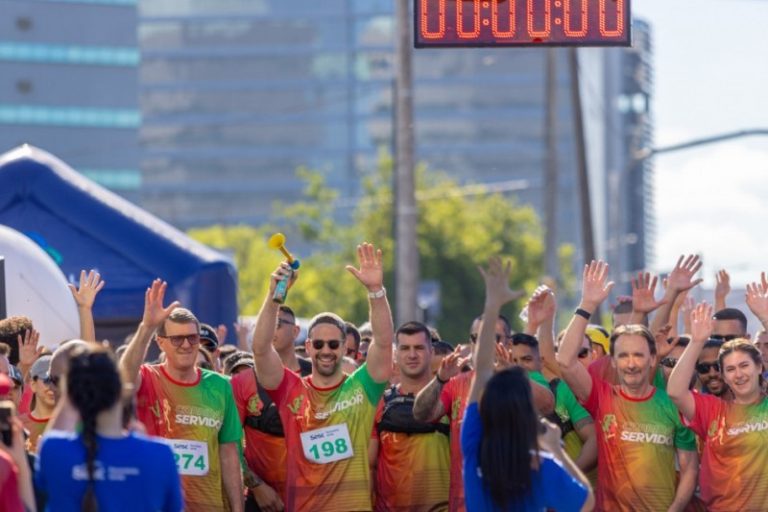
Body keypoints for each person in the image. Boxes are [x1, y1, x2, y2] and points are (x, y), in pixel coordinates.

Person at [251, 243, 393, 511]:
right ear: (307, 347)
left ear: (344, 346)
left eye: (333, 344)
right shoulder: (291, 390)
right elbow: (260, 349)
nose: (325, 351)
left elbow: (384, 344)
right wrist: (273, 297)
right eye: (318, 345)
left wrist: (376, 292)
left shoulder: (361, 389)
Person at [557, 260, 698, 511]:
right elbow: (565, 361)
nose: (631, 364)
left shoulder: (672, 405)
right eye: (623, 356)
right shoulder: (603, 397)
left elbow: (689, 467)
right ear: (613, 360)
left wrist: (675, 509)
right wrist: (587, 305)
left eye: (639, 356)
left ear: (652, 359)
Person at [463, 256, 593, 511]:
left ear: (486, 409)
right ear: (527, 413)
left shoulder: (472, 445)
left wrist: (492, 306)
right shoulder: (542, 465)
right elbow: (586, 503)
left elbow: (481, 370)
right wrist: (556, 450)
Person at [413, 307, 554, 512]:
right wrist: (440, 379)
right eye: (476, 337)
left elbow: (548, 405)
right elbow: (421, 414)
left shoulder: (518, 380)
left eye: (492, 336)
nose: (483, 343)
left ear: (507, 343)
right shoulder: (455, 383)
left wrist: (512, 373)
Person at [120, 280, 243, 512]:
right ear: (161, 343)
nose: (186, 345)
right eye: (177, 339)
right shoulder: (147, 377)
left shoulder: (221, 386)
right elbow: (123, 379)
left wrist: (238, 509)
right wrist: (147, 327)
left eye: (193, 338)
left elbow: (228, 453)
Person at [37, 344, 183, 512]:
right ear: (121, 390)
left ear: (70, 394)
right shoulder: (160, 454)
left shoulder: (53, 450)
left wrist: (71, 381)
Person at [668, 300, 768, 511]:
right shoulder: (713, 410)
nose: (739, 375)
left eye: (744, 366)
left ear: (759, 366)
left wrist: (765, 318)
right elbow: (675, 391)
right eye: (730, 369)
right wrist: (697, 341)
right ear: (723, 375)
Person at [231, 304, 312, 512]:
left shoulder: (315, 375)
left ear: (295, 332)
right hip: (263, 501)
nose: (268, 329)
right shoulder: (241, 382)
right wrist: (256, 487)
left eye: (276, 324)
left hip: (312, 497)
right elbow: (228, 444)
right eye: (263, 324)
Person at [370, 321, 450, 511]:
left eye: (419, 348)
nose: (412, 355)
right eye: (405, 348)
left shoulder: (450, 399)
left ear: (431, 351)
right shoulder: (380, 402)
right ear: (395, 355)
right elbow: (369, 466)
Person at [508, 333, 598, 474]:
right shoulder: (497, 396)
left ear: (541, 362)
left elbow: (593, 438)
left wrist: (570, 474)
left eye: (526, 359)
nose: (519, 367)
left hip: (570, 489)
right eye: (511, 361)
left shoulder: (560, 389)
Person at [20, 355, 55, 453]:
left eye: (58, 381)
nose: (53, 388)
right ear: (33, 385)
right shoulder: (18, 426)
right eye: (47, 380)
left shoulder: (74, 423)